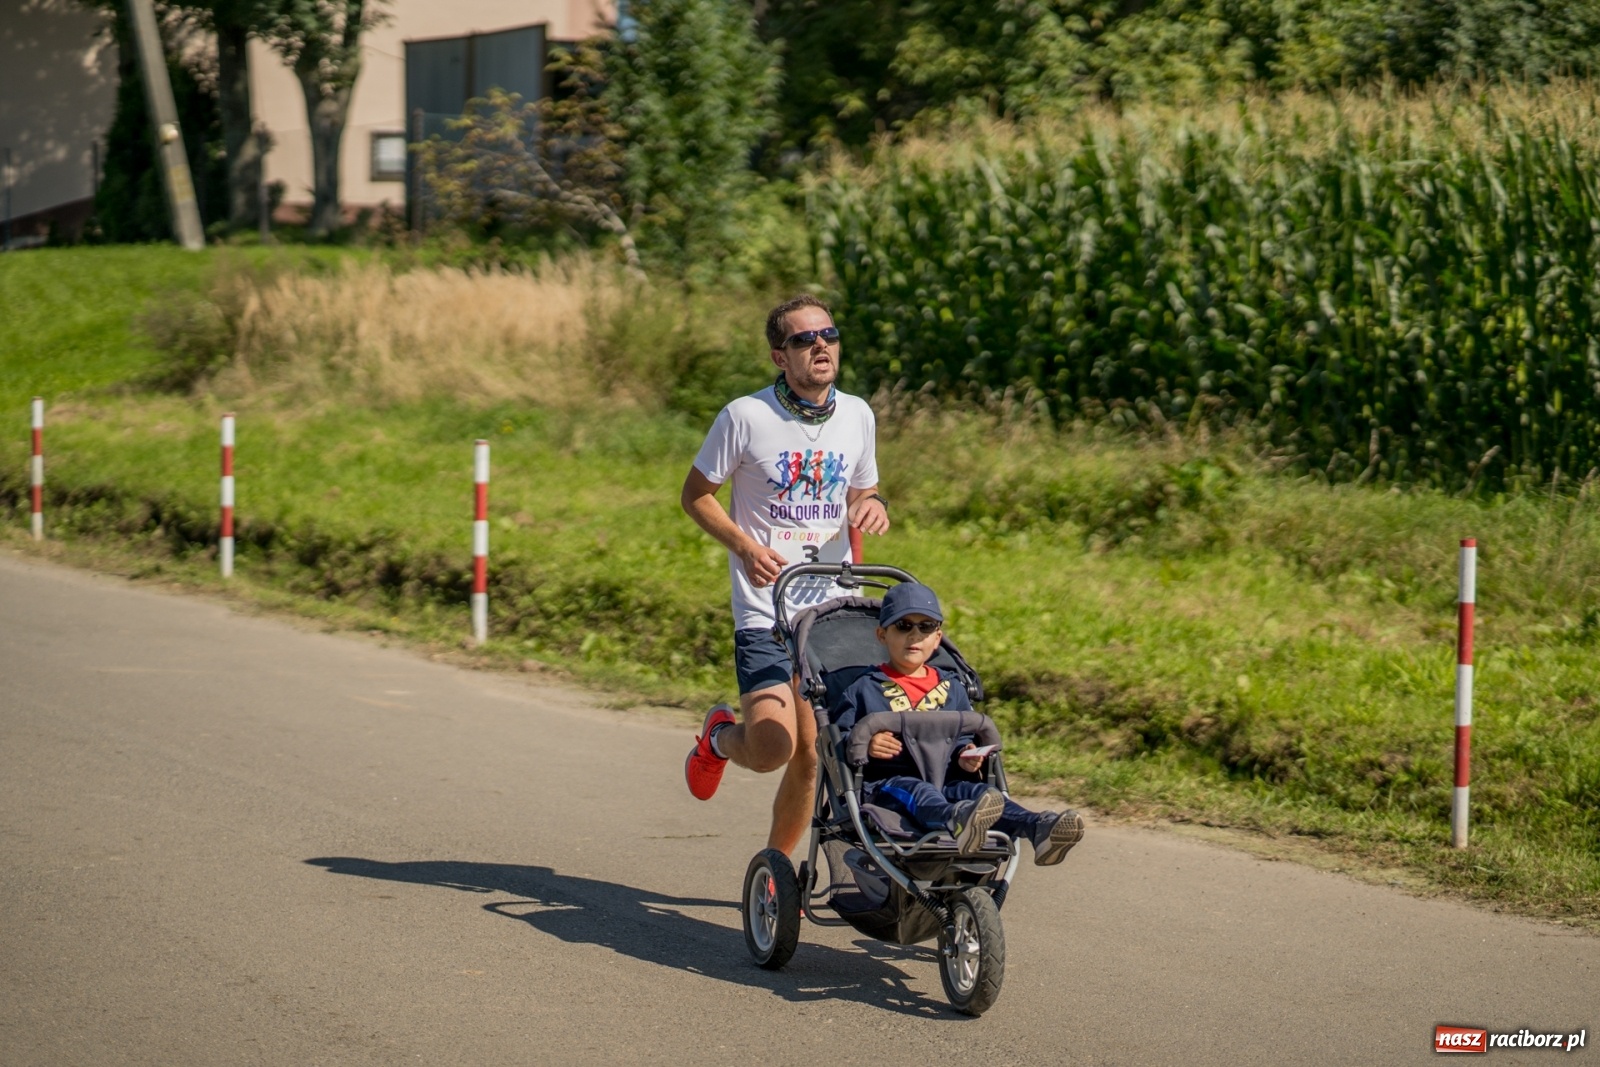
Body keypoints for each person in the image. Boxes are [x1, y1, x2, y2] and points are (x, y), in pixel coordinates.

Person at [680, 295, 890, 857]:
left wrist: (873, 506)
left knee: (815, 752)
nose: (820, 345)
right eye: (804, 339)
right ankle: (720, 737)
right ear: (780, 356)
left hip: (830, 609)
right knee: (774, 747)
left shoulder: (858, 415)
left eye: (829, 334)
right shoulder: (744, 416)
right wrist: (745, 547)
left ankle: (776, 876)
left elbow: (862, 490)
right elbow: (696, 495)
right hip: (766, 606)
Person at [832, 581, 1086, 864]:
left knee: (983, 794)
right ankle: (957, 820)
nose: (915, 635)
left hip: (948, 777)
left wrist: (968, 755)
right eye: (903, 626)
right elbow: (838, 741)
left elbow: (964, 737)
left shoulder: (951, 687)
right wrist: (866, 743)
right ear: (882, 635)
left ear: (937, 637)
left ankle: (1038, 827)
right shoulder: (865, 687)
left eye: (925, 627)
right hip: (889, 783)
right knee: (920, 791)